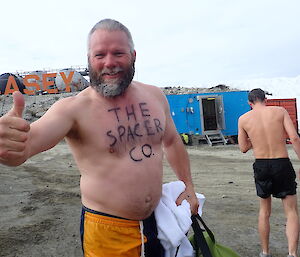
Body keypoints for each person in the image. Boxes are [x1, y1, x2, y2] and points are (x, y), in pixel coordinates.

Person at [0, 19, 199, 257]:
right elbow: (26, 146)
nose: (109, 62)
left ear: (133, 55)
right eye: (100, 55)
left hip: (156, 222)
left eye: (118, 53)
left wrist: (188, 186)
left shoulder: (155, 96)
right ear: (89, 59)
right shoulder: (72, 109)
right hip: (107, 231)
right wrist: (9, 145)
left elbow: (172, 141)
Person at [238, 88, 300, 257]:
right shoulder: (279, 111)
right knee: (291, 211)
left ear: (250, 103)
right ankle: (292, 253)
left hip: (261, 165)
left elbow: (243, 148)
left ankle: (265, 252)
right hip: (281, 163)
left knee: (264, 211)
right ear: (265, 99)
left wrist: (255, 137)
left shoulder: (243, 119)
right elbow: (294, 138)